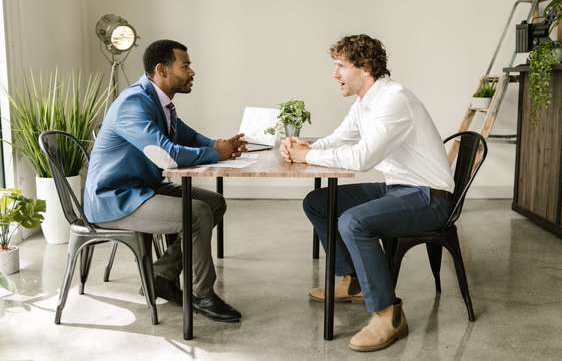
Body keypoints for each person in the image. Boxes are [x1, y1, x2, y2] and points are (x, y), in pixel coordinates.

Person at [281, 34, 454, 351]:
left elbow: (361, 158)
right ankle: (354, 281)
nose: (335, 75)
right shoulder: (366, 101)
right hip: (397, 188)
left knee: (353, 222)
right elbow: (341, 137)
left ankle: (388, 314)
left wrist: (306, 157)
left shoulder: (393, 98)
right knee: (318, 202)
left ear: (365, 67)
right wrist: (308, 147)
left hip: (428, 197)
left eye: (340, 66)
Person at [84, 39, 244, 323]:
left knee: (214, 203)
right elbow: (168, 155)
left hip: (143, 189)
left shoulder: (160, 102)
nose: (192, 72)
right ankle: (201, 294)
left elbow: (189, 137)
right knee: (196, 213)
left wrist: (220, 145)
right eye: (186, 66)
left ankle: (162, 274)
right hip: (116, 197)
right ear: (162, 69)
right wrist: (215, 154)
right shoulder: (134, 103)